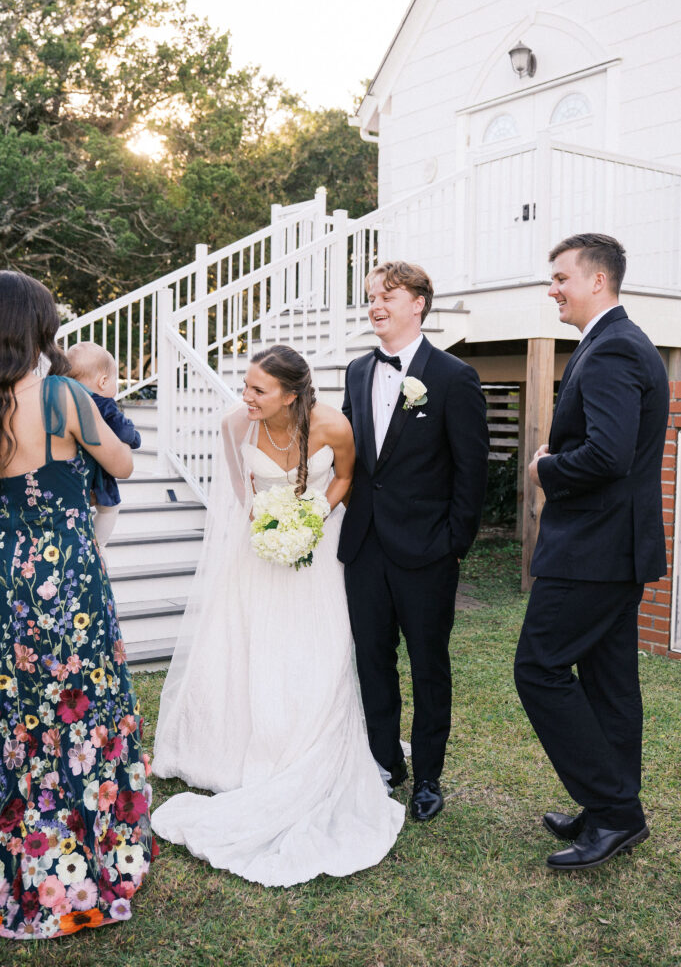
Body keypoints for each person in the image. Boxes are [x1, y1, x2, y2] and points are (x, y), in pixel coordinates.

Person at [151, 344, 404, 887]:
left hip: (316, 552)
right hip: (257, 552)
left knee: (319, 646)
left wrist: (310, 516)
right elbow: (241, 491)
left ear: (291, 394)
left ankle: (307, 737)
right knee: (249, 643)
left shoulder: (334, 425)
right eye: (245, 386)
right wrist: (266, 527)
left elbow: (343, 479)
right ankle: (237, 746)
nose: (246, 397)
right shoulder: (233, 425)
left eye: (258, 390)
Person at [0, 271, 154, 940]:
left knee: (20, 713)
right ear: (37, 328)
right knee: (81, 708)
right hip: (67, 579)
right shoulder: (63, 394)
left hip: (8, 574)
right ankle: (86, 864)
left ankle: (22, 862)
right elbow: (121, 465)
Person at [514, 233, 669, 871]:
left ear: (596, 281)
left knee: (539, 669)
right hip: (613, 548)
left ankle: (616, 811)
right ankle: (611, 806)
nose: (552, 288)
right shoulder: (620, 342)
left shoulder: (611, 351)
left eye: (560, 278)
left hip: (593, 552)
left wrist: (546, 468)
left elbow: (607, 454)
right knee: (609, 684)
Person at [338, 261, 489, 822]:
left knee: (429, 665)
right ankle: (385, 763)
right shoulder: (357, 371)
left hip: (428, 550)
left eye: (388, 296)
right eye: (371, 296)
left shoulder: (452, 376)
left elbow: (472, 469)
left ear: (419, 303)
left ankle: (427, 775)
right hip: (365, 548)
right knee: (371, 660)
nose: (375, 305)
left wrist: (454, 543)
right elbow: (354, 459)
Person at [66, 341, 141, 550]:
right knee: (110, 508)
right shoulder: (104, 404)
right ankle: (97, 547)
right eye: (115, 380)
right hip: (100, 478)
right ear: (103, 381)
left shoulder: (67, 400)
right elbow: (124, 431)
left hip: (76, 475)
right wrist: (135, 438)